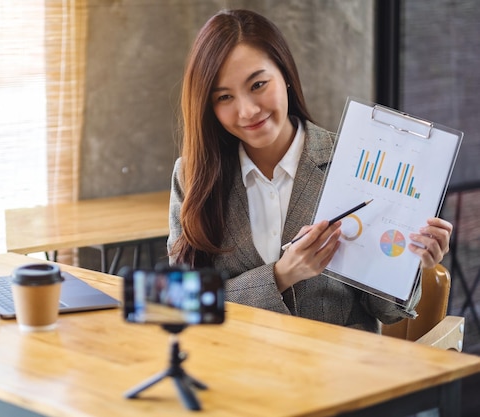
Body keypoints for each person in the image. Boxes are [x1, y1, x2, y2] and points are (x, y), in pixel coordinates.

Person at [167, 9, 453, 332]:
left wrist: (409, 263)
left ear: (286, 75)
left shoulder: (353, 163)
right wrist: (281, 275)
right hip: (234, 369)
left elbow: (387, 311)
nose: (247, 110)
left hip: (339, 374)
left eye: (258, 84)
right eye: (224, 97)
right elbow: (181, 302)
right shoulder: (192, 176)